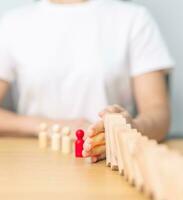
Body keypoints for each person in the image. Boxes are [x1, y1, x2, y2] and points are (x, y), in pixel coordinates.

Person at [0, 0, 173, 160]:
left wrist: (129, 128)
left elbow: (159, 115)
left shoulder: (134, 19)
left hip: (109, 161)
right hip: (33, 160)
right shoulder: (12, 24)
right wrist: (53, 127)